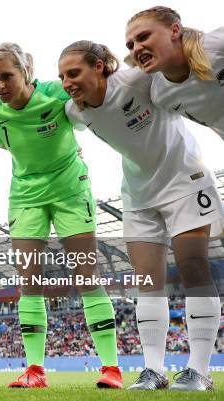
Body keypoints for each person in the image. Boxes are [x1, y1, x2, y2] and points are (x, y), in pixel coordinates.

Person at [59, 40, 222, 391]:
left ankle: (199, 372)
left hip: (184, 180)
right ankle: (153, 371)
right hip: (138, 194)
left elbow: (183, 74)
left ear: (100, 66)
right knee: (147, 281)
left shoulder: (139, 81)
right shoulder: (75, 112)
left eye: (74, 73)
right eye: (62, 77)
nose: (67, 83)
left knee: (194, 268)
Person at [0, 42, 122, 389]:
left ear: (26, 72)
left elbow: (96, 100)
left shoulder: (56, 93)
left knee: (87, 275)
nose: (0, 86)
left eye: (7, 77)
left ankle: (112, 368)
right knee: (30, 282)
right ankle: (35, 370)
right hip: (25, 197)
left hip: (70, 192)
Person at [126, 6, 224, 139]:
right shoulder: (161, 97)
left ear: (175, 30)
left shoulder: (217, 45)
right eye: (130, 46)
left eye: (143, 37)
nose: (136, 49)